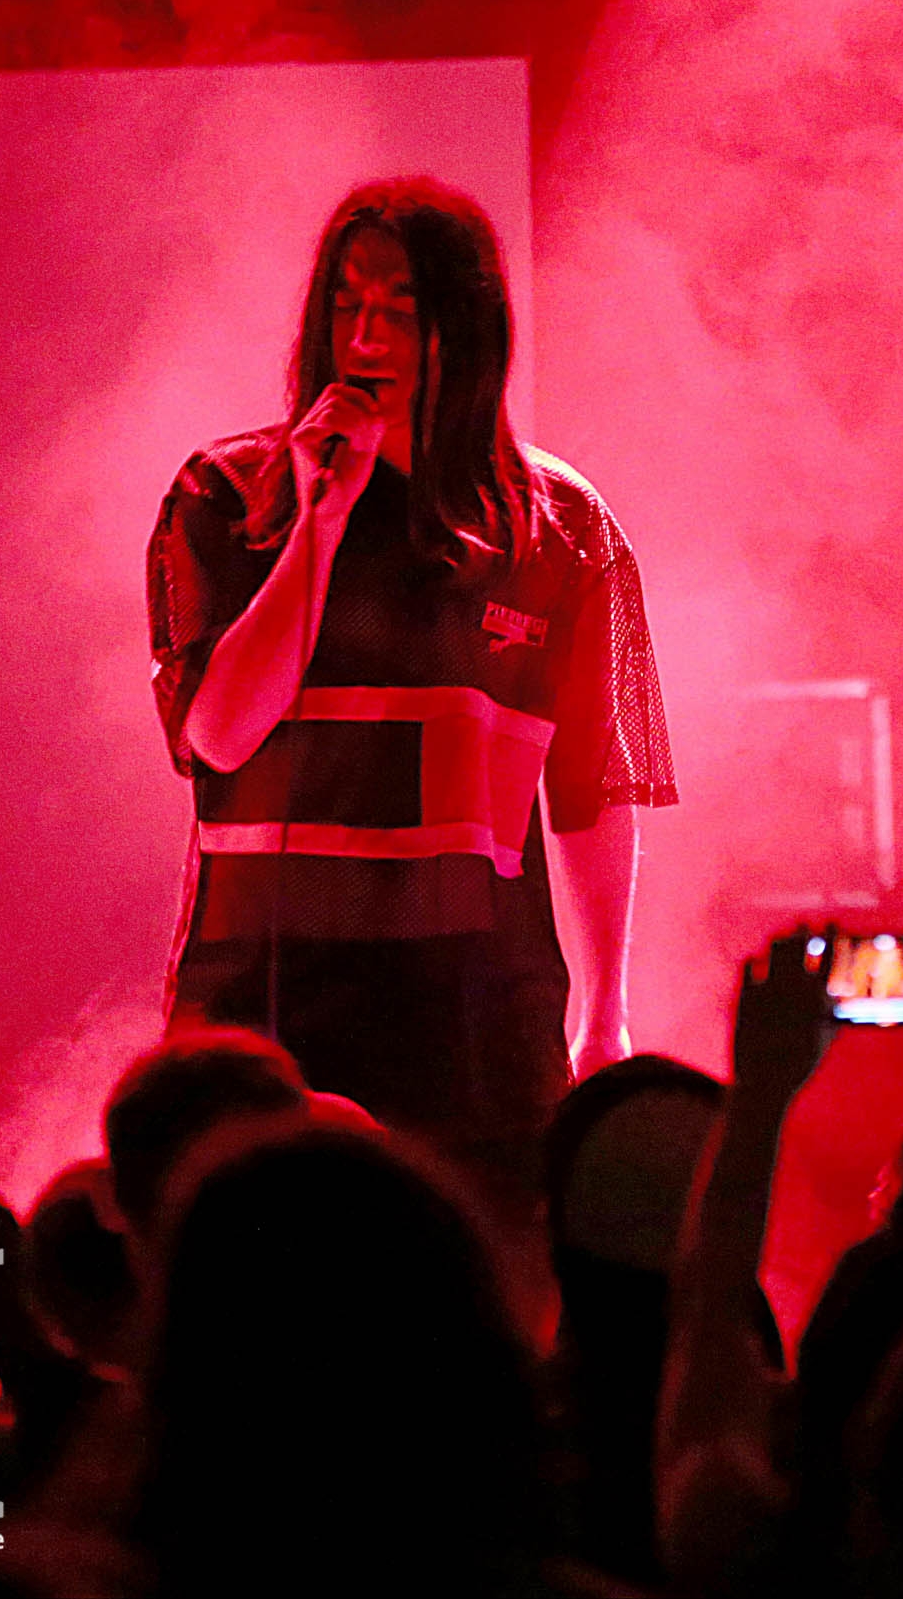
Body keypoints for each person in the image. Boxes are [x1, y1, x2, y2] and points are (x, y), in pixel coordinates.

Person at [147, 177, 675, 1225]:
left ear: (464, 327)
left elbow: (593, 792)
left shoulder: (561, 528)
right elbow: (219, 731)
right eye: (348, 306)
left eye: (399, 310)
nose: (366, 339)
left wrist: (608, 1005)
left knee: (482, 1294)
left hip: (478, 1021)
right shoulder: (224, 495)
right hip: (264, 1007)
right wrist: (320, 521)